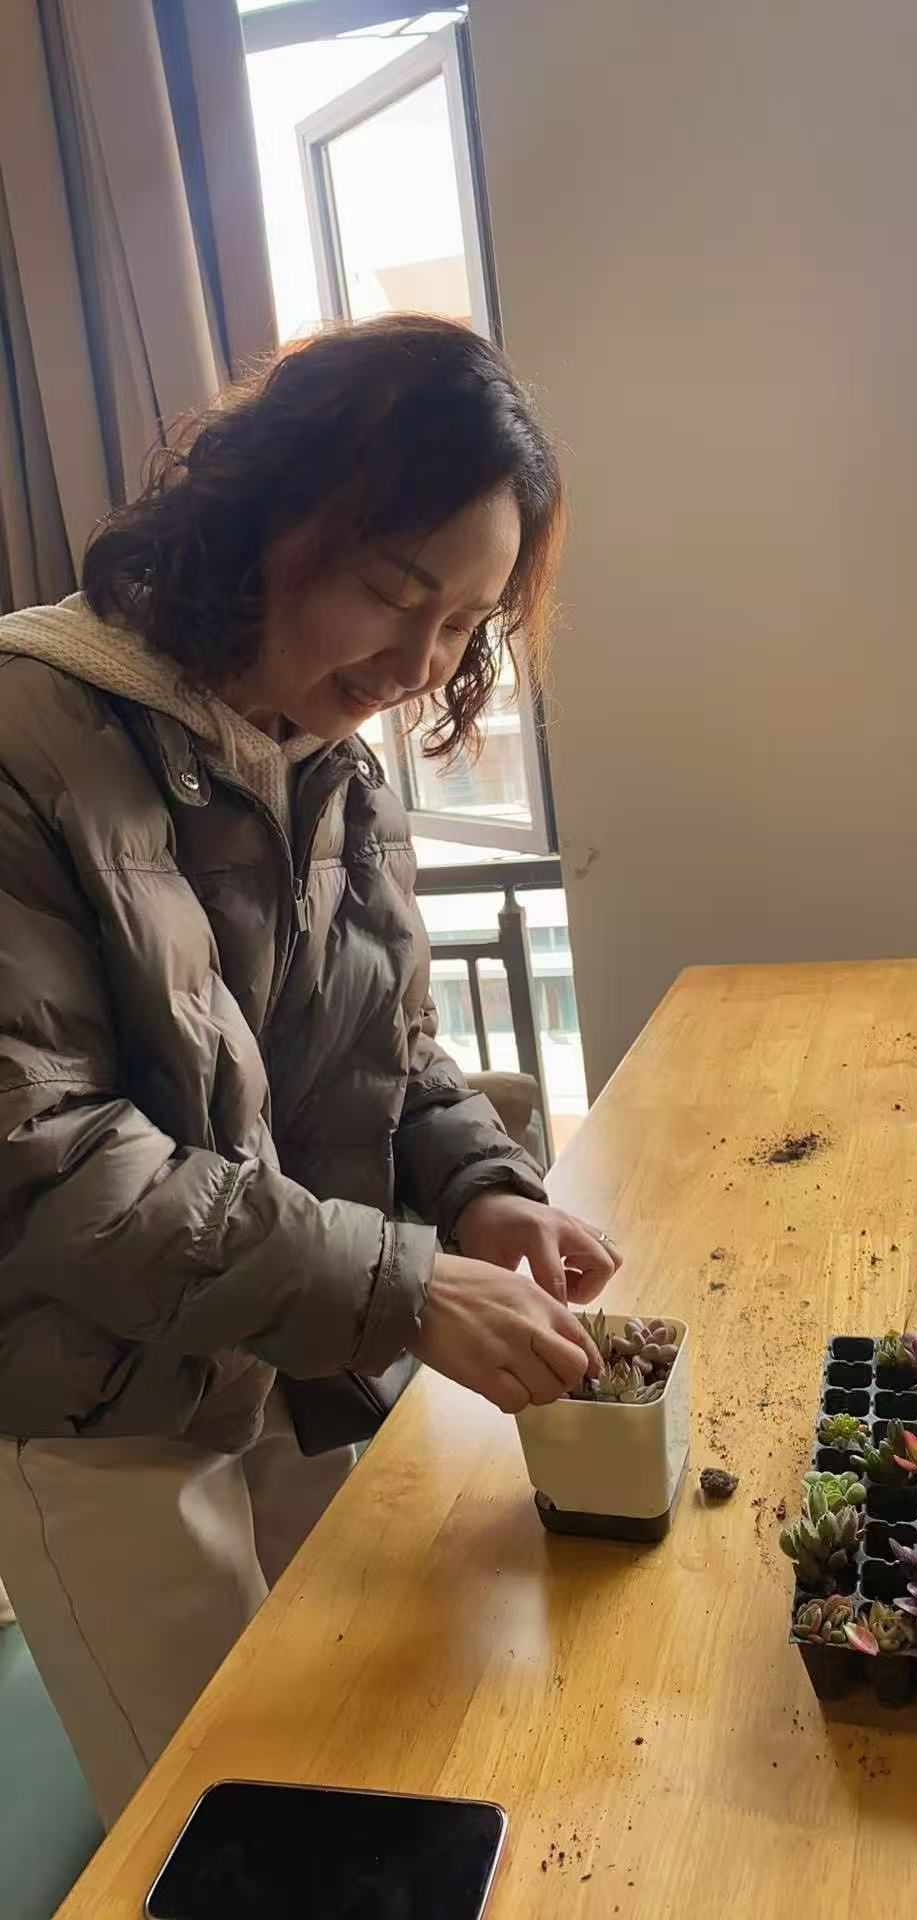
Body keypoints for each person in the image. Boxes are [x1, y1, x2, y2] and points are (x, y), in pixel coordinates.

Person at [0, 315, 619, 1826]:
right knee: (224, 1829)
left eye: (463, 625)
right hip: (101, 1415)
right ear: (264, 507)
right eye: (395, 589)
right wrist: (399, 1284)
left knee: (362, 1758)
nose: (418, 666)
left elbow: (388, 1055)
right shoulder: (28, 733)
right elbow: (50, 1159)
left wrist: (478, 1192)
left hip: (293, 1360)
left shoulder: (328, 765)